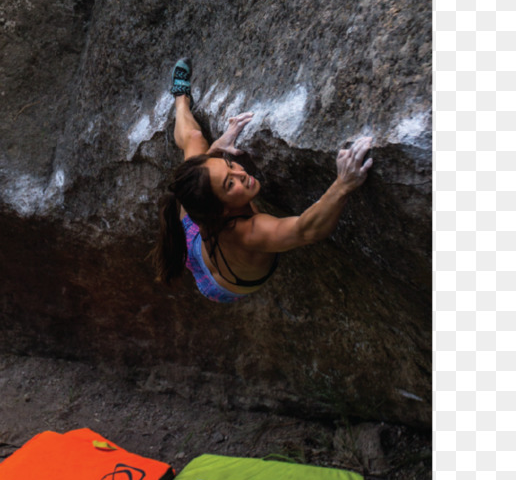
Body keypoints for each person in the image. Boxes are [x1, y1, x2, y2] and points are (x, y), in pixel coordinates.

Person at [154, 58, 373, 304]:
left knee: (194, 139)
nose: (241, 174)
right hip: (220, 286)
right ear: (220, 209)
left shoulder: (205, 210)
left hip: (197, 245)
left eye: (230, 165)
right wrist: (343, 184)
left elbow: (206, 175)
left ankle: (180, 98)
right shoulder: (249, 232)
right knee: (201, 162)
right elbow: (307, 230)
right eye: (230, 183)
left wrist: (219, 147)